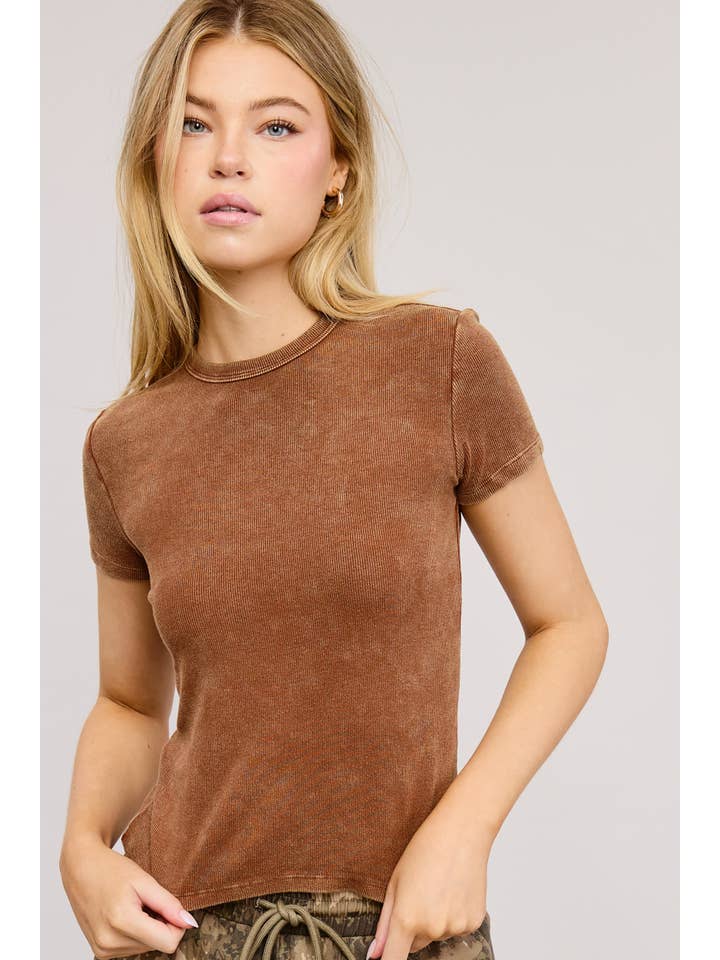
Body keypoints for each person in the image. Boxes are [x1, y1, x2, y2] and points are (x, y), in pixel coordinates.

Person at [58, 1, 609, 958]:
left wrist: (464, 828)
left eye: (275, 126)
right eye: (195, 124)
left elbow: (570, 626)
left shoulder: (439, 362)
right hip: (188, 933)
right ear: (157, 160)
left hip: (401, 927)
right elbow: (131, 704)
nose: (229, 159)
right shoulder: (124, 443)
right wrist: (79, 849)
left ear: (339, 169)